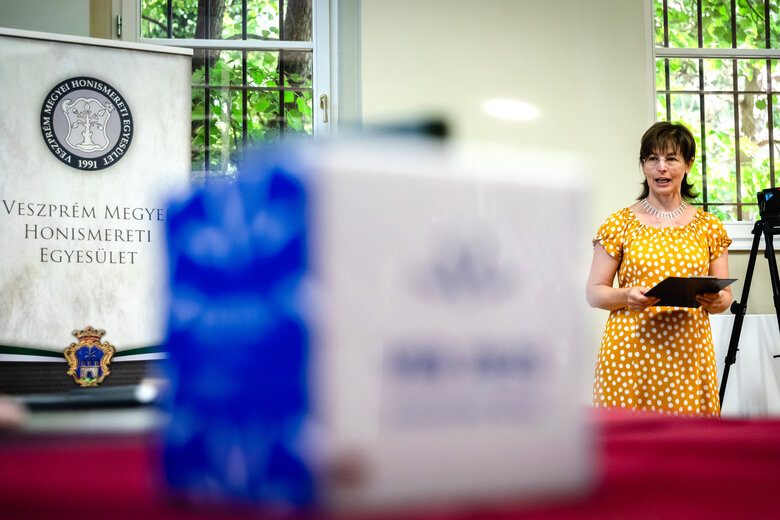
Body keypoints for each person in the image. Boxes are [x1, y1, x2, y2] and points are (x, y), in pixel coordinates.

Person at [585, 121, 732, 416]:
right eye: (652, 158)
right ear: (643, 166)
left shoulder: (709, 227)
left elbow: (725, 297)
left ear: (688, 164)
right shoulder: (619, 223)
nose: (661, 167)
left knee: (688, 440)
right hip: (629, 355)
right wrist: (626, 295)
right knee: (630, 439)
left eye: (671, 158)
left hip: (688, 355)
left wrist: (717, 301)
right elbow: (594, 292)